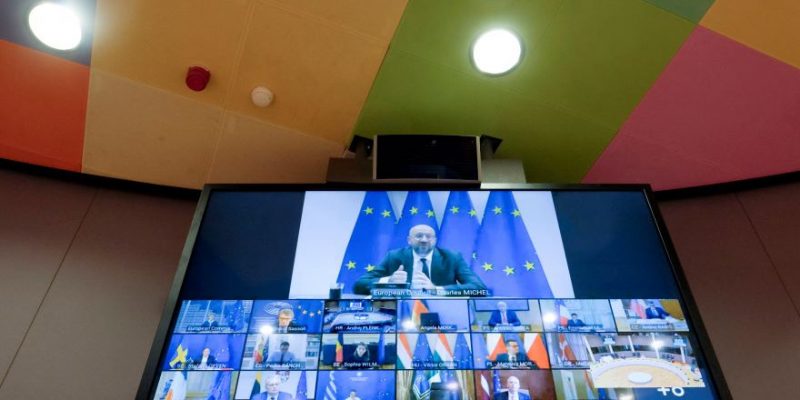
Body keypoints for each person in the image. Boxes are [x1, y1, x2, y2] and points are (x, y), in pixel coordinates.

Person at [353, 224, 487, 295]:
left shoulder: (452, 258)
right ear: (409, 240)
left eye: (428, 236)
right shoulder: (394, 256)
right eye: (419, 236)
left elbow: (479, 288)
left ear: (435, 240)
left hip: (442, 313)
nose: (424, 240)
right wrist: (389, 281)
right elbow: (359, 285)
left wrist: (436, 289)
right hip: (404, 313)